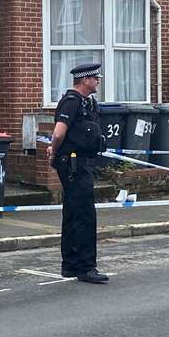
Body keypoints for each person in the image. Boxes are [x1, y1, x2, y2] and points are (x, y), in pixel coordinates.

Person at [47, 61, 108, 283]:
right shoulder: (72, 102)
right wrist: (53, 151)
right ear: (84, 80)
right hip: (75, 165)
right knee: (84, 214)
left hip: (82, 162)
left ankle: (71, 265)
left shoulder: (86, 102)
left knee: (73, 212)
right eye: (95, 78)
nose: (98, 81)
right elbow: (59, 133)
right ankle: (85, 267)